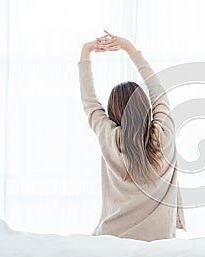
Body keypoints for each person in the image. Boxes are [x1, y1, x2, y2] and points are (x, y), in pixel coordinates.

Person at [78, 30, 185, 241]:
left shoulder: (109, 137)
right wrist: (129, 48)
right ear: (146, 107)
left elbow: (90, 102)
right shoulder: (163, 135)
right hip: (160, 240)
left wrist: (86, 51)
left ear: (113, 112)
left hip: (112, 238)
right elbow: (158, 92)